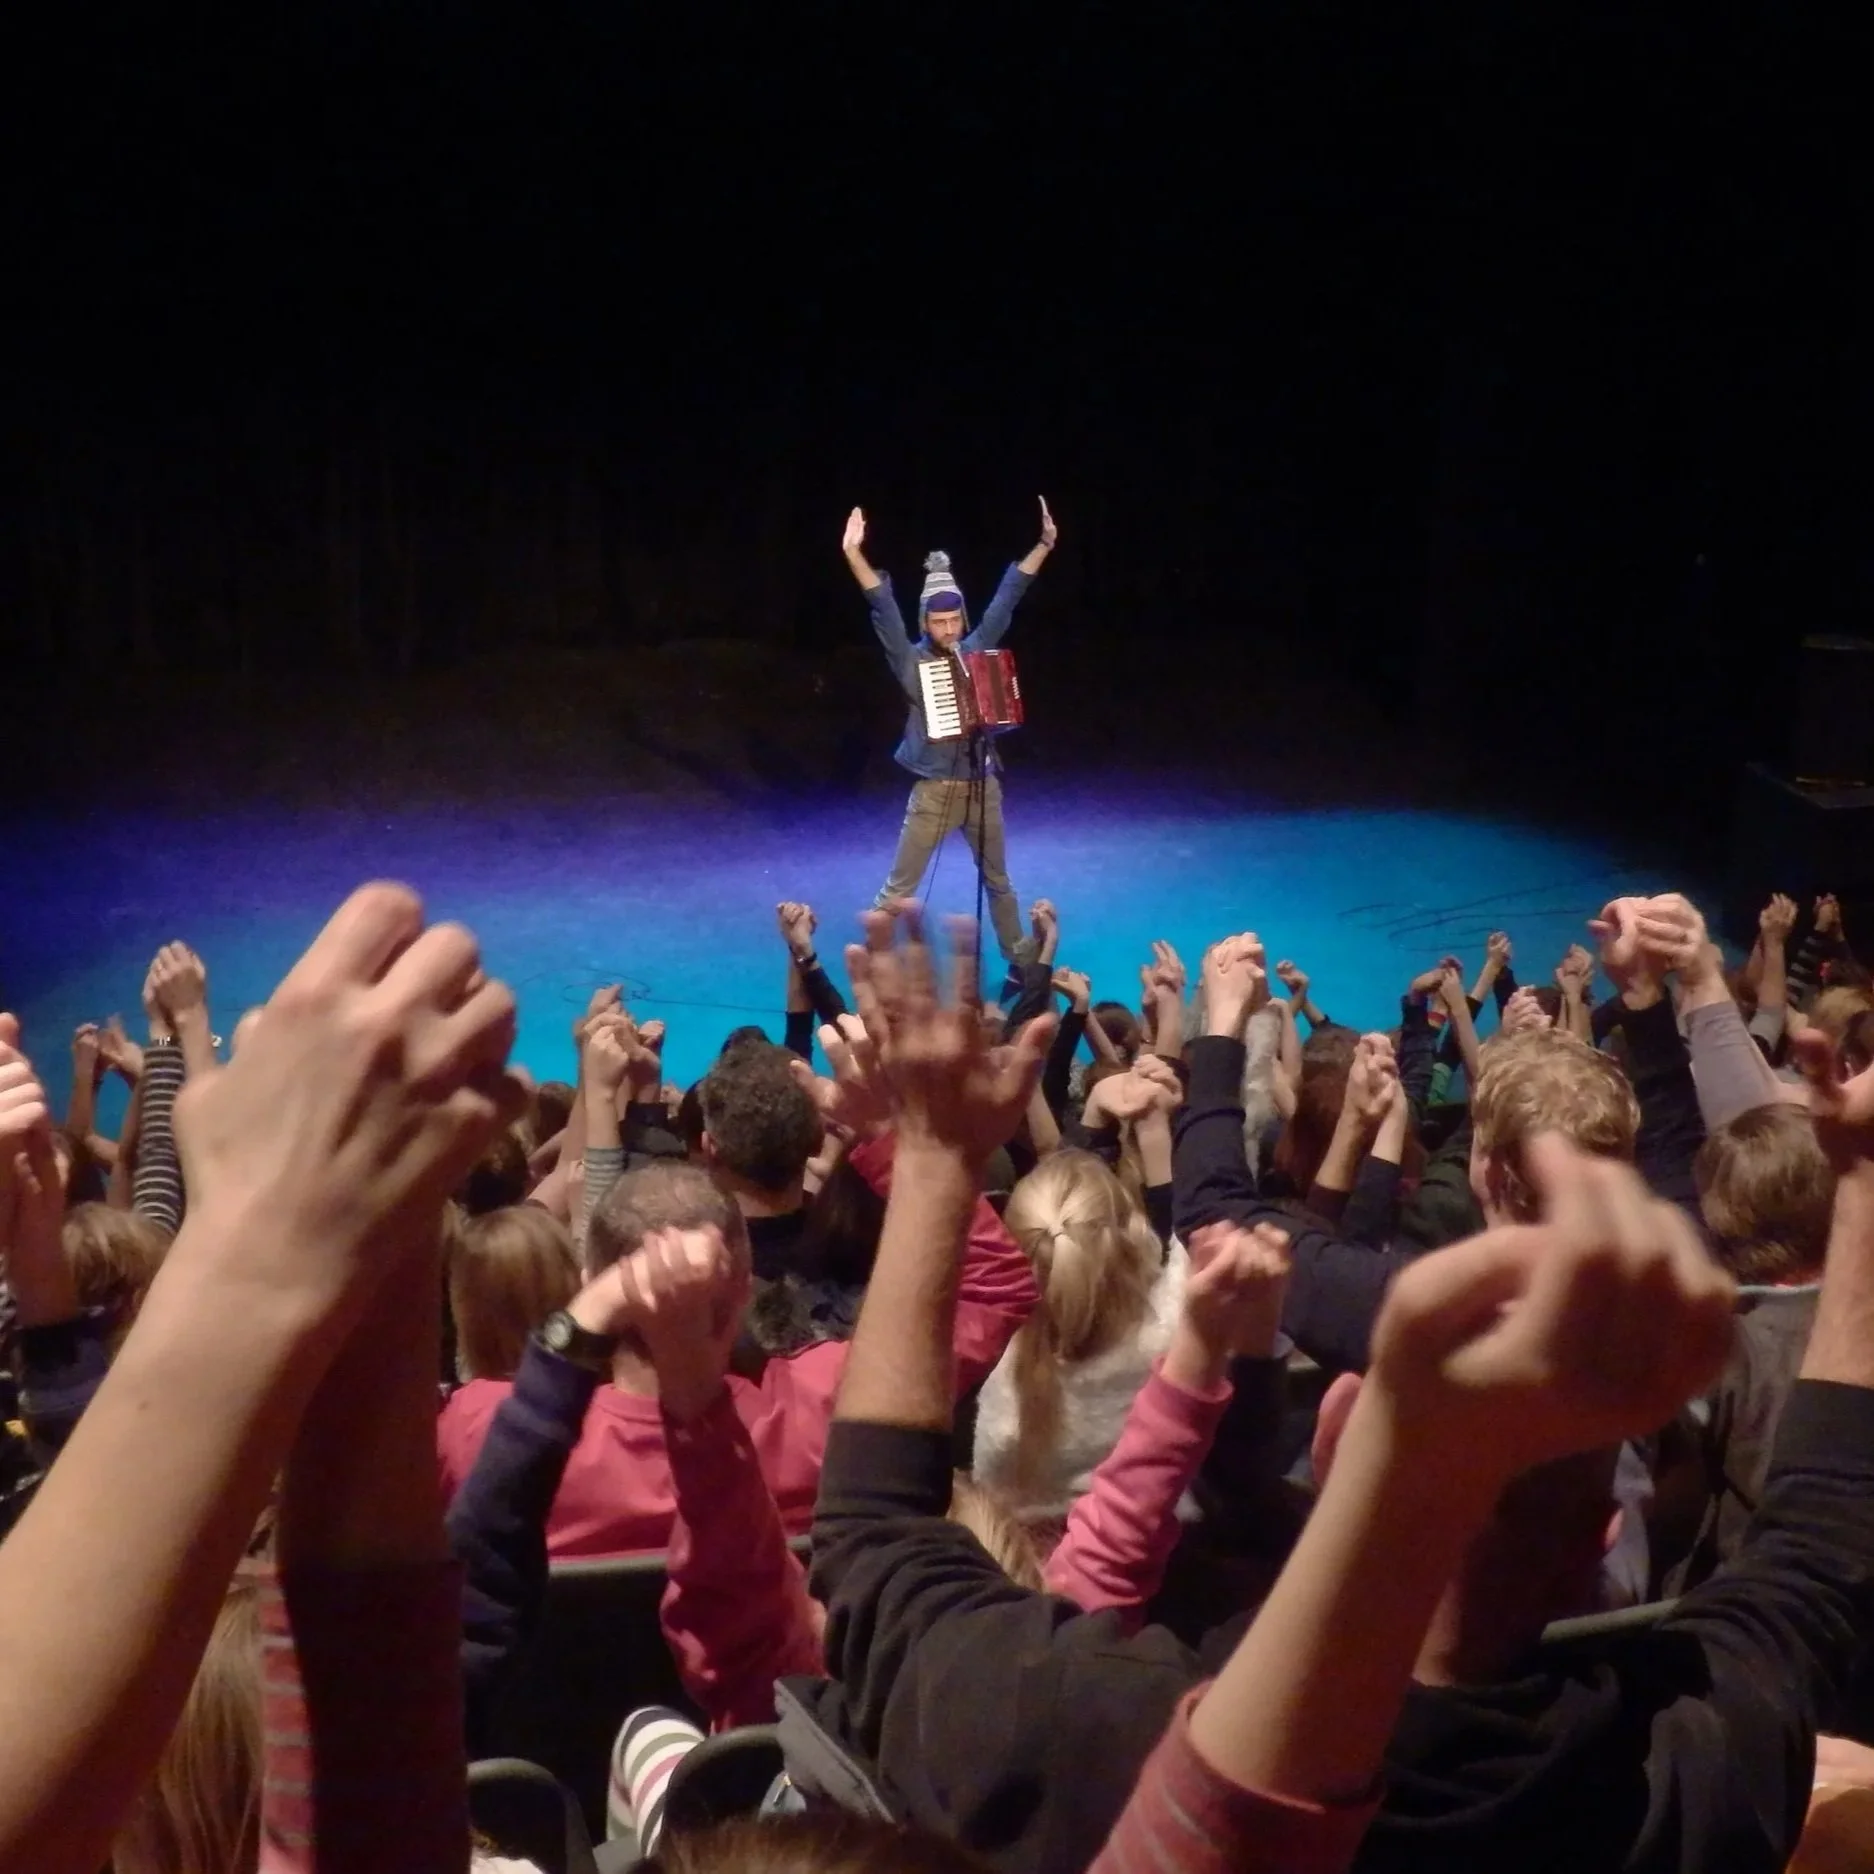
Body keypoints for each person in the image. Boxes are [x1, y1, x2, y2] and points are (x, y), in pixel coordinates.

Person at [841, 498, 1058, 965]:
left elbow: (1008, 597)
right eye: (937, 622)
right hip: (935, 793)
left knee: (999, 881)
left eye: (954, 620)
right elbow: (882, 608)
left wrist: (1044, 544)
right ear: (926, 622)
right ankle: (869, 965)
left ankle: (1020, 962)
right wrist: (854, 554)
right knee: (900, 886)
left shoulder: (976, 650)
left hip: (983, 787)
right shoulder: (911, 661)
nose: (947, 629)